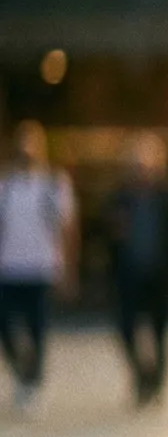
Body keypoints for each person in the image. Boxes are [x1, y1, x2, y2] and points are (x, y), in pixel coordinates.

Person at [99, 132, 168, 408]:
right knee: (126, 328)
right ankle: (142, 376)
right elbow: (102, 236)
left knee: (160, 332)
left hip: (160, 275)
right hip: (128, 275)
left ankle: (157, 383)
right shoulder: (119, 198)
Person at [0, 121, 77, 415]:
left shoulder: (53, 185)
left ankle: (34, 381)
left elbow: (68, 228)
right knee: (6, 326)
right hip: (9, 269)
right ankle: (22, 370)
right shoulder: (6, 186)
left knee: (37, 328)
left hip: (41, 267)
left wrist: (69, 269)